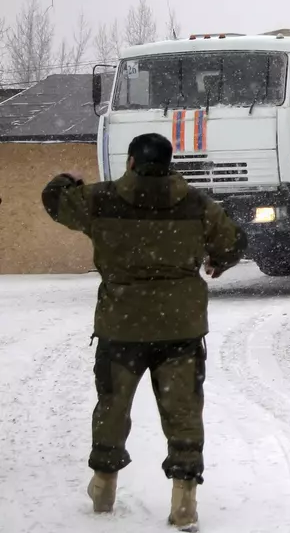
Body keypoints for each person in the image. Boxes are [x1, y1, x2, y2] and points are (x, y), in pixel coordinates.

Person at [42, 133, 245, 532]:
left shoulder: (99, 199)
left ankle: (103, 486)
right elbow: (234, 242)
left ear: (132, 163)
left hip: (123, 326)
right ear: (170, 164)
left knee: (113, 407)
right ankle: (184, 499)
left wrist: (68, 177)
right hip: (180, 328)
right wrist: (217, 261)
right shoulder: (196, 204)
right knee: (183, 411)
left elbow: (54, 199)